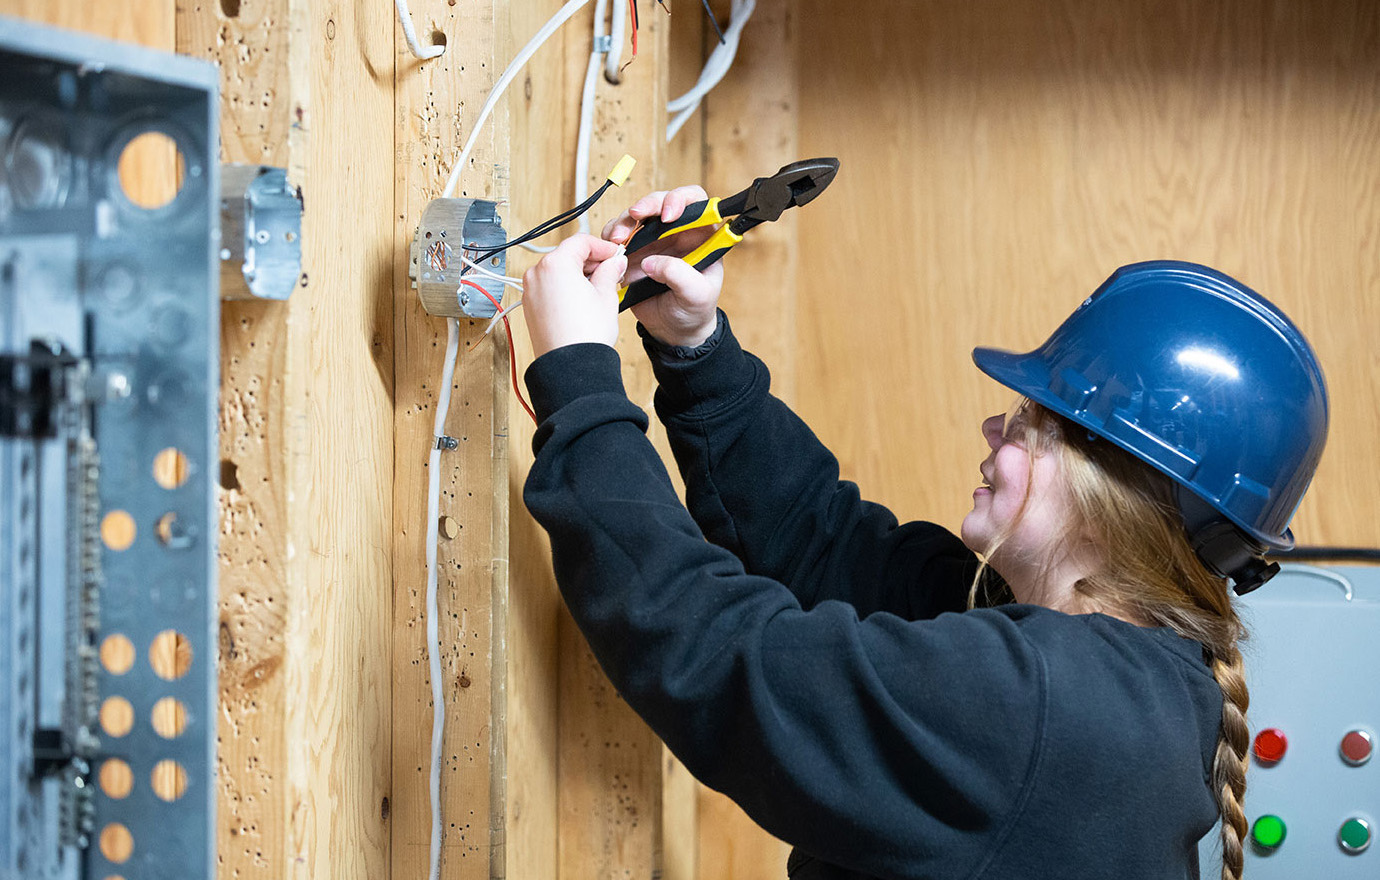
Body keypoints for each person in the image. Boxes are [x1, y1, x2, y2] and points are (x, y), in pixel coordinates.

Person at [517, 185, 1329, 880]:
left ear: (1108, 491)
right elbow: (824, 543)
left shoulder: (1039, 706)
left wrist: (581, 381)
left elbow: (721, 659)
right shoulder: (1106, 674)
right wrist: (693, 346)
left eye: (1028, 423)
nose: (992, 427)